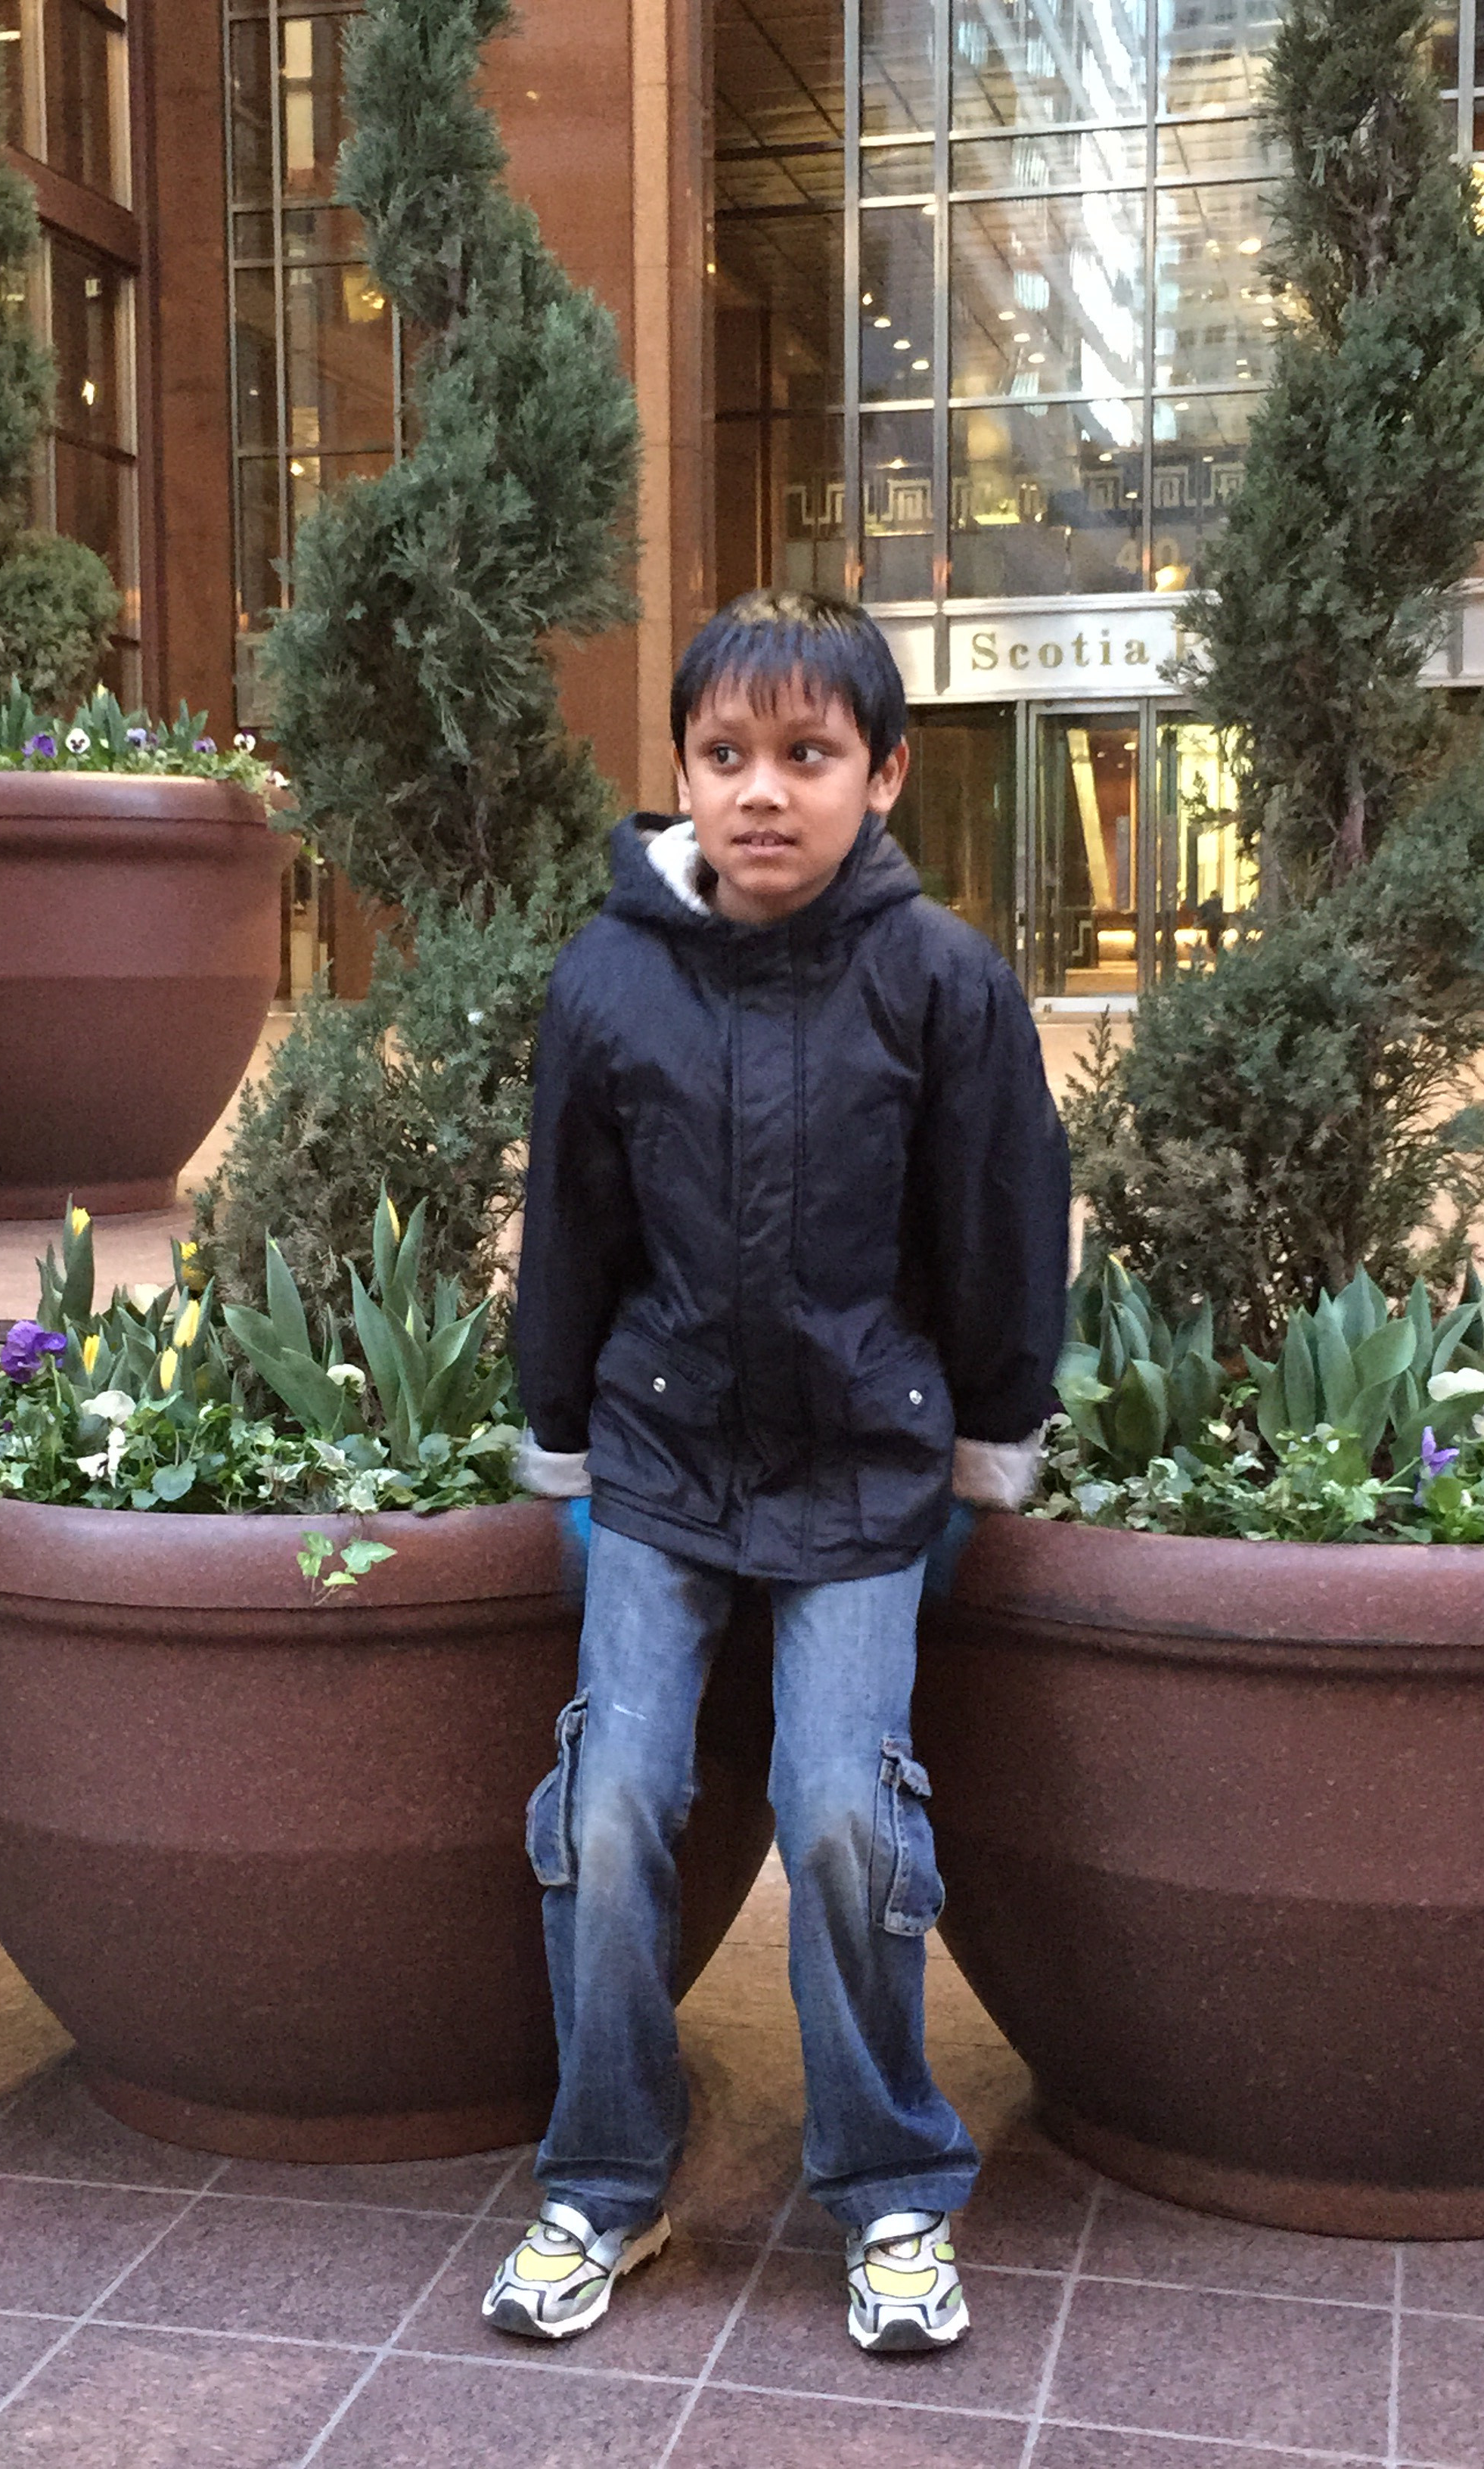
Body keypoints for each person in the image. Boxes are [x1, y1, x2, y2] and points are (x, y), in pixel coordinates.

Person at [483, 588, 1069, 2356]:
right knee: (608, 1805)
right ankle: (605, 2179)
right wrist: (560, 1432)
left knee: (840, 1813)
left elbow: (999, 1221)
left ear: (883, 774)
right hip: (661, 1461)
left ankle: (891, 2185)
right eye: (725, 752)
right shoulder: (607, 980)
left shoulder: (944, 981)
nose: (762, 789)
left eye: (807, 754)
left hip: (866, 1472)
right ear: (680, 768)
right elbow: (571, 1228)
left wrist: (989, 1429)